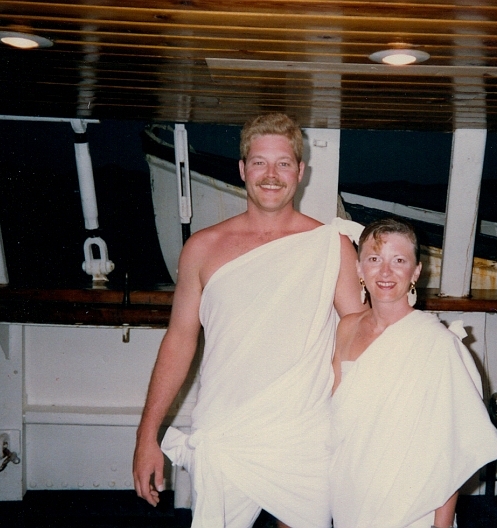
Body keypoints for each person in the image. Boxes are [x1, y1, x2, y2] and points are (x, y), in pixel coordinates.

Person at [133, 113, 362, 528]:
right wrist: (147, 435)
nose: (271, 175)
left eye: (283, 163)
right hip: (226, 430)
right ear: (242, 169)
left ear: (300, 172)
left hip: (305, 432)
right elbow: (180, 339)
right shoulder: (202, 248)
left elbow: (358, 336)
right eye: (259, 162)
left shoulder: (333, 246)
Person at [329, 217, 497, 528]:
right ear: (358, 269)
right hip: (350, 494)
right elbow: (333, 420)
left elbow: (450, 449)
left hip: (411, 505)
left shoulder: (436, 344)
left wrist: (442, 526)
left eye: (399, 261)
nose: (385, 272)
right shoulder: (346, 329)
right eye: (374, 259)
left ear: (416, 272)